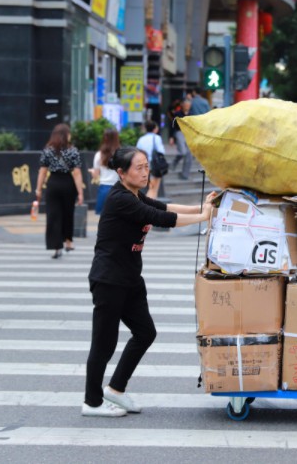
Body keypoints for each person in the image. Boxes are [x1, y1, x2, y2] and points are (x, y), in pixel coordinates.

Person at [83, 146, 216, 417]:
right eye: (139, 168)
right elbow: (161, 218)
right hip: (109, 280)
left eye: (146, 166)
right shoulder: (120, 199)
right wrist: (201, 217)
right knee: (104, 343)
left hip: (130, 278)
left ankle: (116, 390)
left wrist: (200, 207)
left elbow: (163, 206)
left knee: (145, 332)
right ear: (121, 173)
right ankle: (92, 402)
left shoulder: (135, 195)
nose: (145, 172)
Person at [35, 123, 84, 259]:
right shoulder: (73, 150)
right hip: (68, 183)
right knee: (68, 213)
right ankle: (68, 241)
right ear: (66, 135)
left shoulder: (48, 150)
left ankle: (56, 247)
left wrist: (38, 189)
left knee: (53, 215)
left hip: (53, 184)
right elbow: (77, 173)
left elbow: (42, 171)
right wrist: (80, 192)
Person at [90, 129, 121, 215]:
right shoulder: (121, 154)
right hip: (119, 189)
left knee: (104, 219)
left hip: (104, 189)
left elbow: (95, 176)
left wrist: (92, 172)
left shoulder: (99, 155)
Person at [136, 120, 166, 198]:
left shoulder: (141, 139)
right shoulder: (157, 138)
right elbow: (161, 151)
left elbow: (137, 152)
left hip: (143, 166)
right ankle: (150, 206)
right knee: (153, 189)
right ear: (154, 129)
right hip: (154, 166)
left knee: (146, 188)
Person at [171, 98, 193, 180]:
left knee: (189, 155)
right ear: (182, 105)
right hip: (179, 132)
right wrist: (171, 137)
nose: (187, 107)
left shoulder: (192, 114)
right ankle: (174, 163)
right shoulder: (177, 113)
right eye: (186, 105)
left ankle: (185, 174)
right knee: (183, 152)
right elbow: (172, 126)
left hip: (189, 134)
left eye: (188, 105)